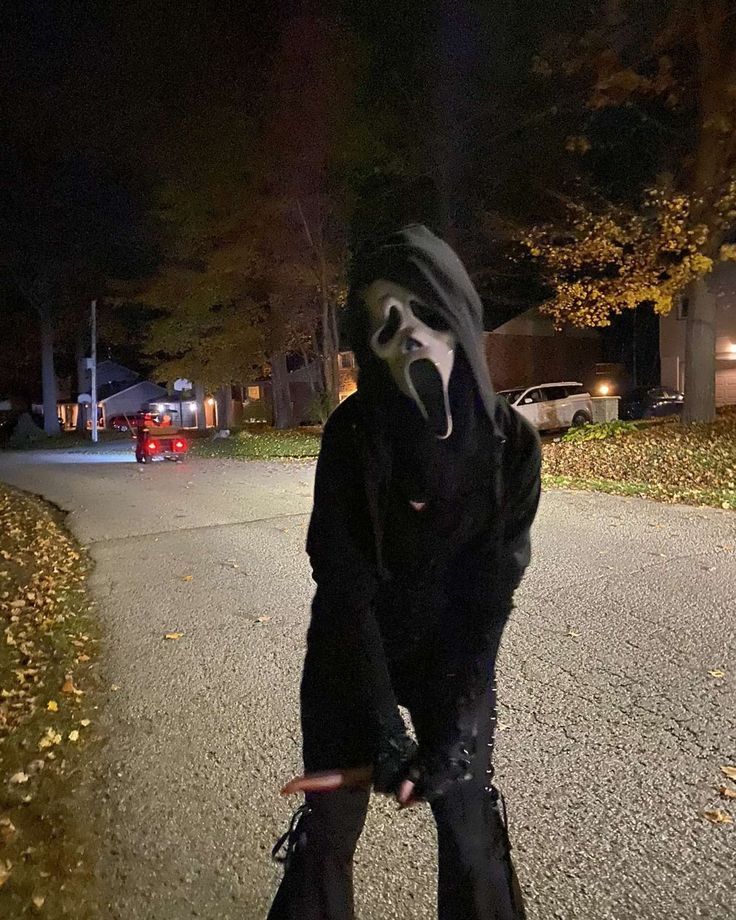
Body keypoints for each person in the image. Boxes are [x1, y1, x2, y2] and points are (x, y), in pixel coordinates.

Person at [268, 225, 541, 920]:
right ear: (370, 347)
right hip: (351, 653)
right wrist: (383, 732)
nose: (408, 332)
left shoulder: (513, 446)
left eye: (422, 310)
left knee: (470, 829)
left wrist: (452, 737)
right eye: (386, 324)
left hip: (449, 656)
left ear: (456, 315)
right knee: (327, 838)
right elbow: (344, 593)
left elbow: (490, 600)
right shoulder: (353, 437)